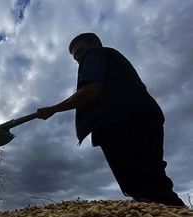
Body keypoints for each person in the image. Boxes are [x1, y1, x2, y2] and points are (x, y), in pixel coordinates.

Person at [37, 32, 185, 207]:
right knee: (144, 181)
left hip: (126, 121)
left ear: (95, 44)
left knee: (147, 181)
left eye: (81, 52)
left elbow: (92, 88)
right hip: (138, 117)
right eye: (76, 58)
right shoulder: (111, 60)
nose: (80, 59)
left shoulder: (96, 54)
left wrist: (53, 109)